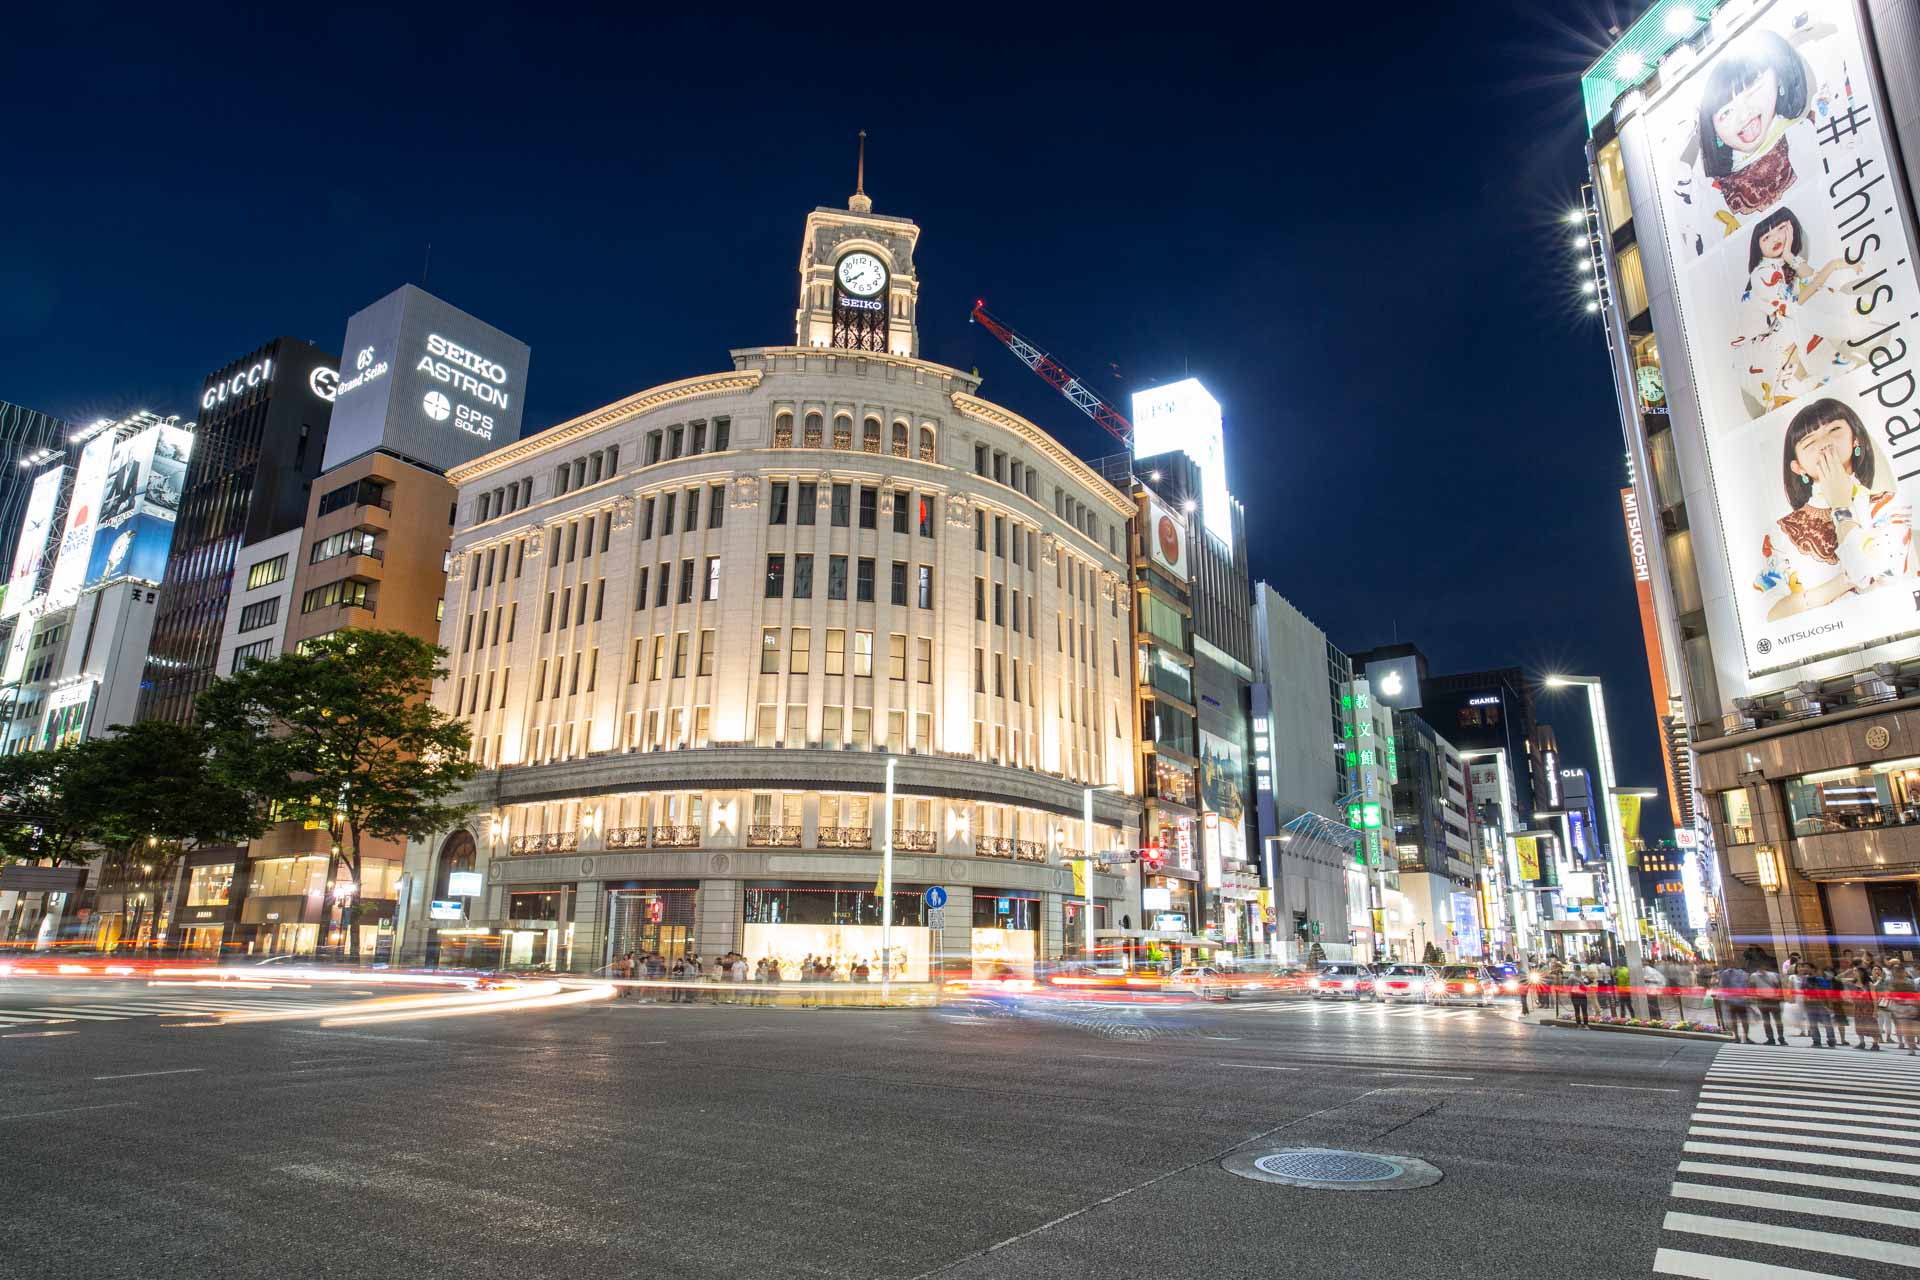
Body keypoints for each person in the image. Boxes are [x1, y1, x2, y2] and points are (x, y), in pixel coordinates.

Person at [1756, 399, 1915, 623]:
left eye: (1834, 429)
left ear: (1855, 439)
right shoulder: (1780, 533)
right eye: (1809, 441)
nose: (1824, 443)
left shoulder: (1888, 506)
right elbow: (1772, 614)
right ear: (1797, 467)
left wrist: (1841, 507)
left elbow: (1882, 584)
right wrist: (1843, 582)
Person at [1804, 965, 1841, 1047]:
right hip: (1810, 1005)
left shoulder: (1820, 980)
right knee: (1813, 1024)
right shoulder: (1805, 980)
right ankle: (1816, 1041)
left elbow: (1827, 991)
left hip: (1822, 1004)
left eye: (1807, 967)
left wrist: (1829, 1004)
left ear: (1813, 969)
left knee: (1827, 1023)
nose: (1805, 969)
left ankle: (1831, 1040)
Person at [1751, 960, 1785, 1045]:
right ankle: (1770, 1038)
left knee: (1778, 1020)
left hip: (1773, 1000)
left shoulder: (1773, 975)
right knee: (1767, 1021)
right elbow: (1752, 987)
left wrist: (1777, 996)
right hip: (1763, 1000)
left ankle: (1781, 1037)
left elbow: (1778, 987)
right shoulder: (1754, 976)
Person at [1719, 959, 1753, 1042]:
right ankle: (1745, 1037)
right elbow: (1747, 986)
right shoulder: (1743, 973)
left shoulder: (1725, 973)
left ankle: (1738, 1037)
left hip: (1733, 1000)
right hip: (1741, 1000)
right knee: (1743, 1020)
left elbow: (1723, 987)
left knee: (1735, 1020)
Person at [1892, 963, 1920, 1055]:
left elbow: (1915, 993)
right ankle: (1911, 1048)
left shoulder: (1910, 981)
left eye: (1900, 970)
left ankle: (1912, 1046)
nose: (1899, 973)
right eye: (1897, 971)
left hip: (1912, 1007)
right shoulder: (1891, 982)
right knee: (1907, 1029)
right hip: (1900, 1009)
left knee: (1913, 1028)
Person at [1568, 962, 1592, 1029]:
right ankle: (1578, 1024)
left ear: (1580, 971)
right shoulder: (1571, 976)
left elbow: (1587, 986)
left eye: (1578, 970)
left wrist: (1581, 982)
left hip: (1582, 995)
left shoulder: (1584, 977)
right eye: (1576, 970)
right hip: (1575, 995)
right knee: (1577, 1010)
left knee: (1584, 1010)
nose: (1577, 972)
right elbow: (1568, 984)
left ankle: (1586, 1024)